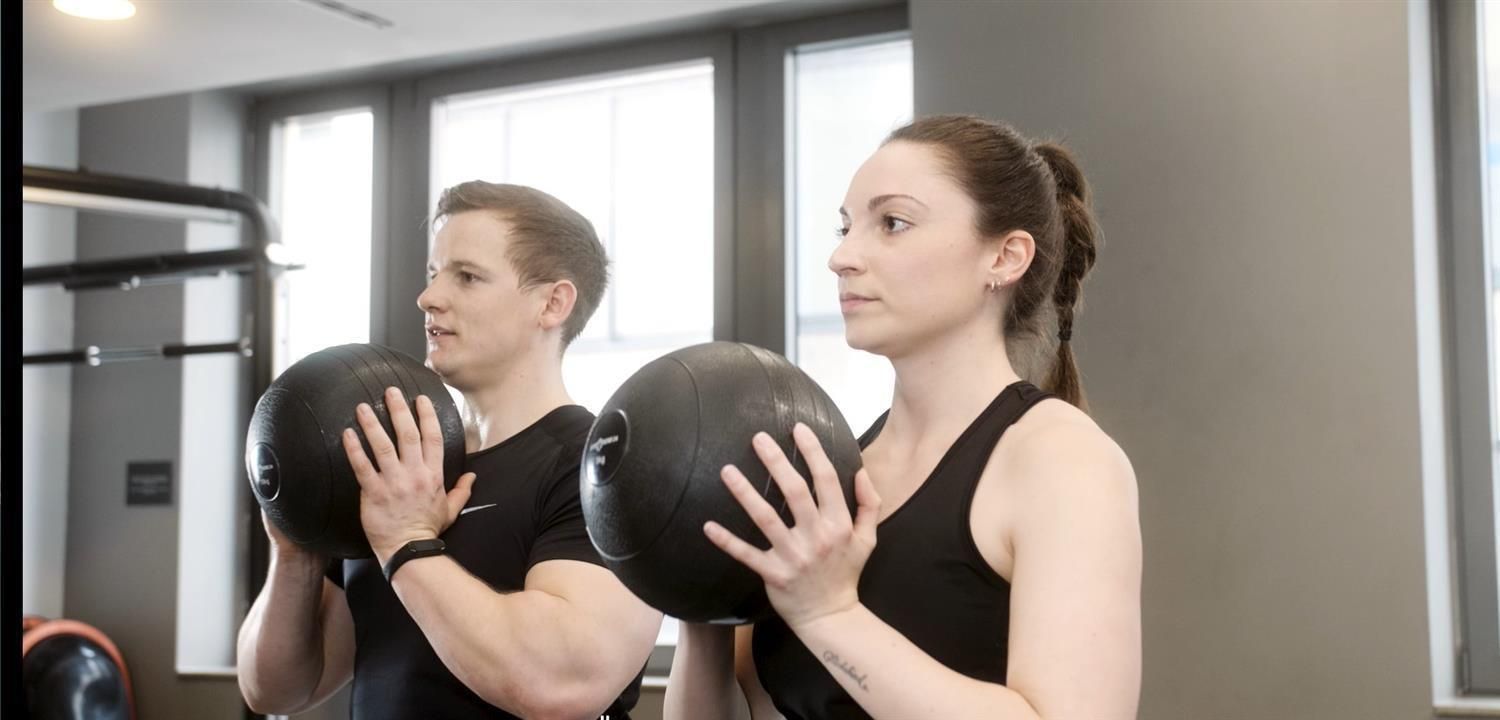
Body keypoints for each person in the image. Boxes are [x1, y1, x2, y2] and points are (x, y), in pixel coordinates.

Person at [665, 115, 1142, 720]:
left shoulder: (1063, 460)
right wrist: (699, 598)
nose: (841, 256)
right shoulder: (824, 474)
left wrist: (829, 614)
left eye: (892, 223)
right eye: (844, 227)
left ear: (1005, 255)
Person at [237, 181, 663, 719]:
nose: (430, 297)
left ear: (552, 302)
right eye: (433, 274)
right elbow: (278, 690)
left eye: (467, 276)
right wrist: (294, 553)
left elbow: (561, 684)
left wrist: (407, 543)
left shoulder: (604, 467)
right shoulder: (397, 468)